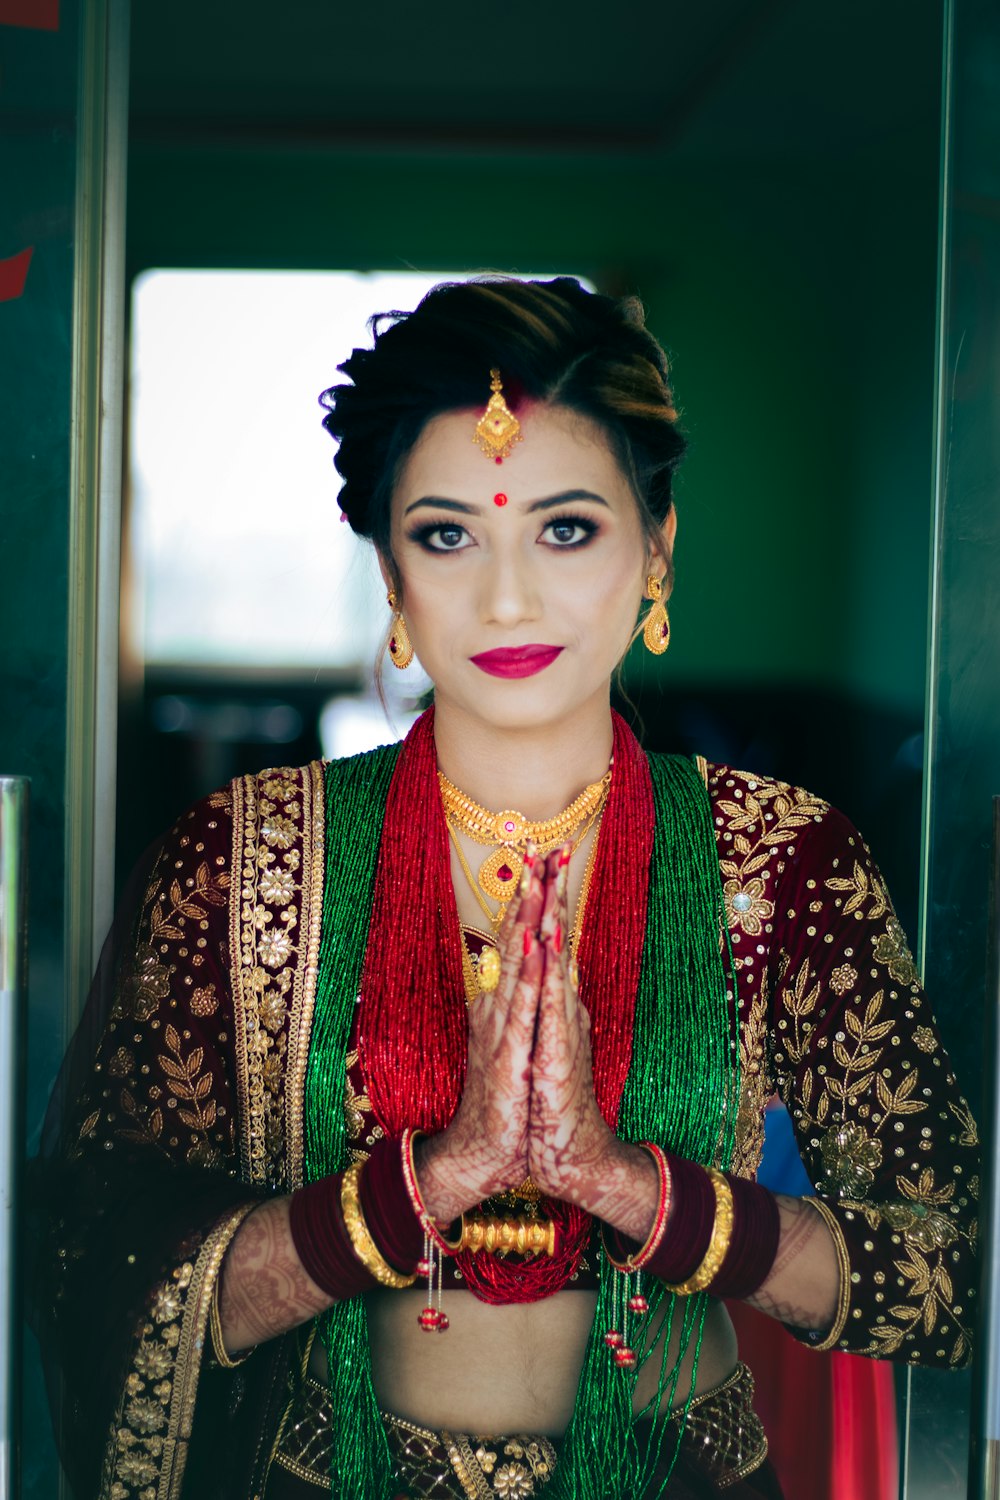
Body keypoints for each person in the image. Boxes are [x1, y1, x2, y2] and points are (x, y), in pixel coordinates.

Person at [34, 277, 979, 1500]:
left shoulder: (782, 860)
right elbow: (97, 1256)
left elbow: (941, 1275)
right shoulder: (249, 861)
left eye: (567, 528)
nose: (508, 597)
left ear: (659, 549)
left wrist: (626, 1185)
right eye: (445, 534)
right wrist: (420, 1188)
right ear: (389, 573)